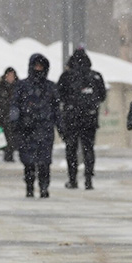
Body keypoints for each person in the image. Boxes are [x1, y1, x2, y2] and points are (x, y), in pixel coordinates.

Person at [9, 53, 60, 199]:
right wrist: (15, 122)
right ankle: (30, 187)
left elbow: (56, 109)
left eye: (41, 66)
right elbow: (15, 105)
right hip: (27, 129)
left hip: (45, 129)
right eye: (36, 66)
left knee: (44, 162)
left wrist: (61, 128)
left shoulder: (50, 87)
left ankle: (44, 187)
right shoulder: (22, 86)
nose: (38, 69)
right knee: (29, 162)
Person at [57, 48, 107, 190]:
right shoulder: (95, 76)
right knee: (88, 148)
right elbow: (102, 96)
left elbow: (59, 94)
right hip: (89, 118)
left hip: (71, 118)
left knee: (71, 149)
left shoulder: (66, 76)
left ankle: (72, 179)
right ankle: (88, 179)